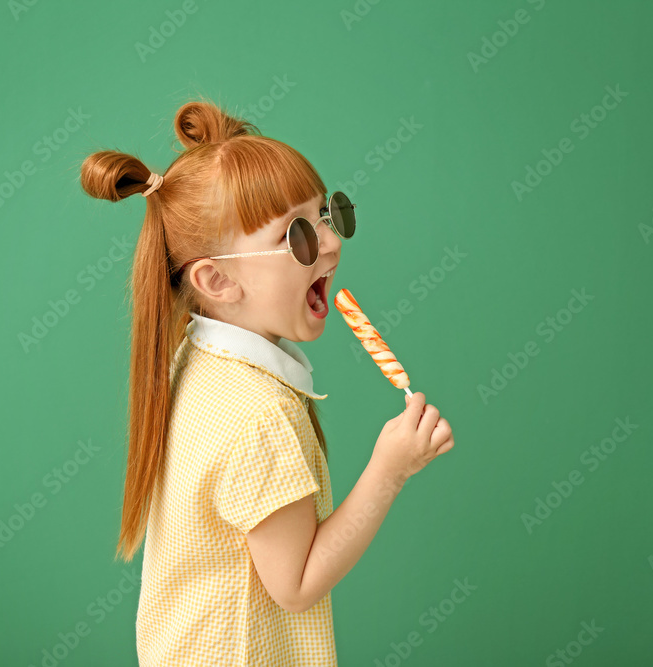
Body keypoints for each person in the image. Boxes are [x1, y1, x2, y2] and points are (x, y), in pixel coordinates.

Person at [79, 98, 454, 666]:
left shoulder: (197, 362)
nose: (330, 242)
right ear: (218, 279)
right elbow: (296, 583)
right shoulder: (259, 414)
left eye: (327, 214)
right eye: (297, 235)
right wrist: (390, 468)